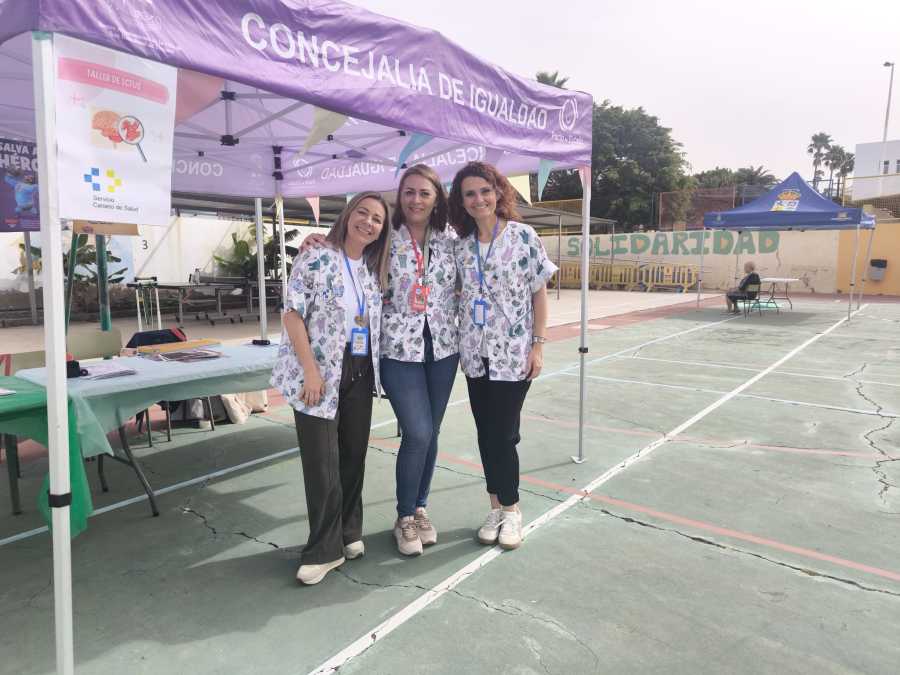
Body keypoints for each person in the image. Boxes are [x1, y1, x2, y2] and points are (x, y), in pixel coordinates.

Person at [300, 165, 460, 557]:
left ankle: (419, 509)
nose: (416, 200)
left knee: (432, 433)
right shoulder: (386, 236)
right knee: (418, 432)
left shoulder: (450, 239)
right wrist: (317, 240)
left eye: (424, 193)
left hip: (442, 347)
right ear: (399, 197)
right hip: (397, 348)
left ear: (436, 198)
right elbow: (349, 249)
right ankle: (404, 516)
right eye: (409, 192)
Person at [271, 192, 392, 585]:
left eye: (377, 219)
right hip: (319, 371)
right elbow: (292, 314)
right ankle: (324, 550)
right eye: (362, 213)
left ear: (382, 229)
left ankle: (349, 531)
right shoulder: (316, 256)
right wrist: (310, 371)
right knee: (322, 461)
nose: (368, 223)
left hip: (359, 368)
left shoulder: (372, 268)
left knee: (353, 454)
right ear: (348, 215)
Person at [449, 161, 557, 550]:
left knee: (503, 434)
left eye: (485, 191)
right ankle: (495, 507)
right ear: (461, 201)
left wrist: (538, 344)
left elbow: (539, 292)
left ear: (498, 192)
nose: (478, 199)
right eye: (469, 194)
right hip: (475, 354)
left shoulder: (523, 236)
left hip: (513, 353)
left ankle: (511, 510)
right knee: (486, 432)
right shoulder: (460, 246)